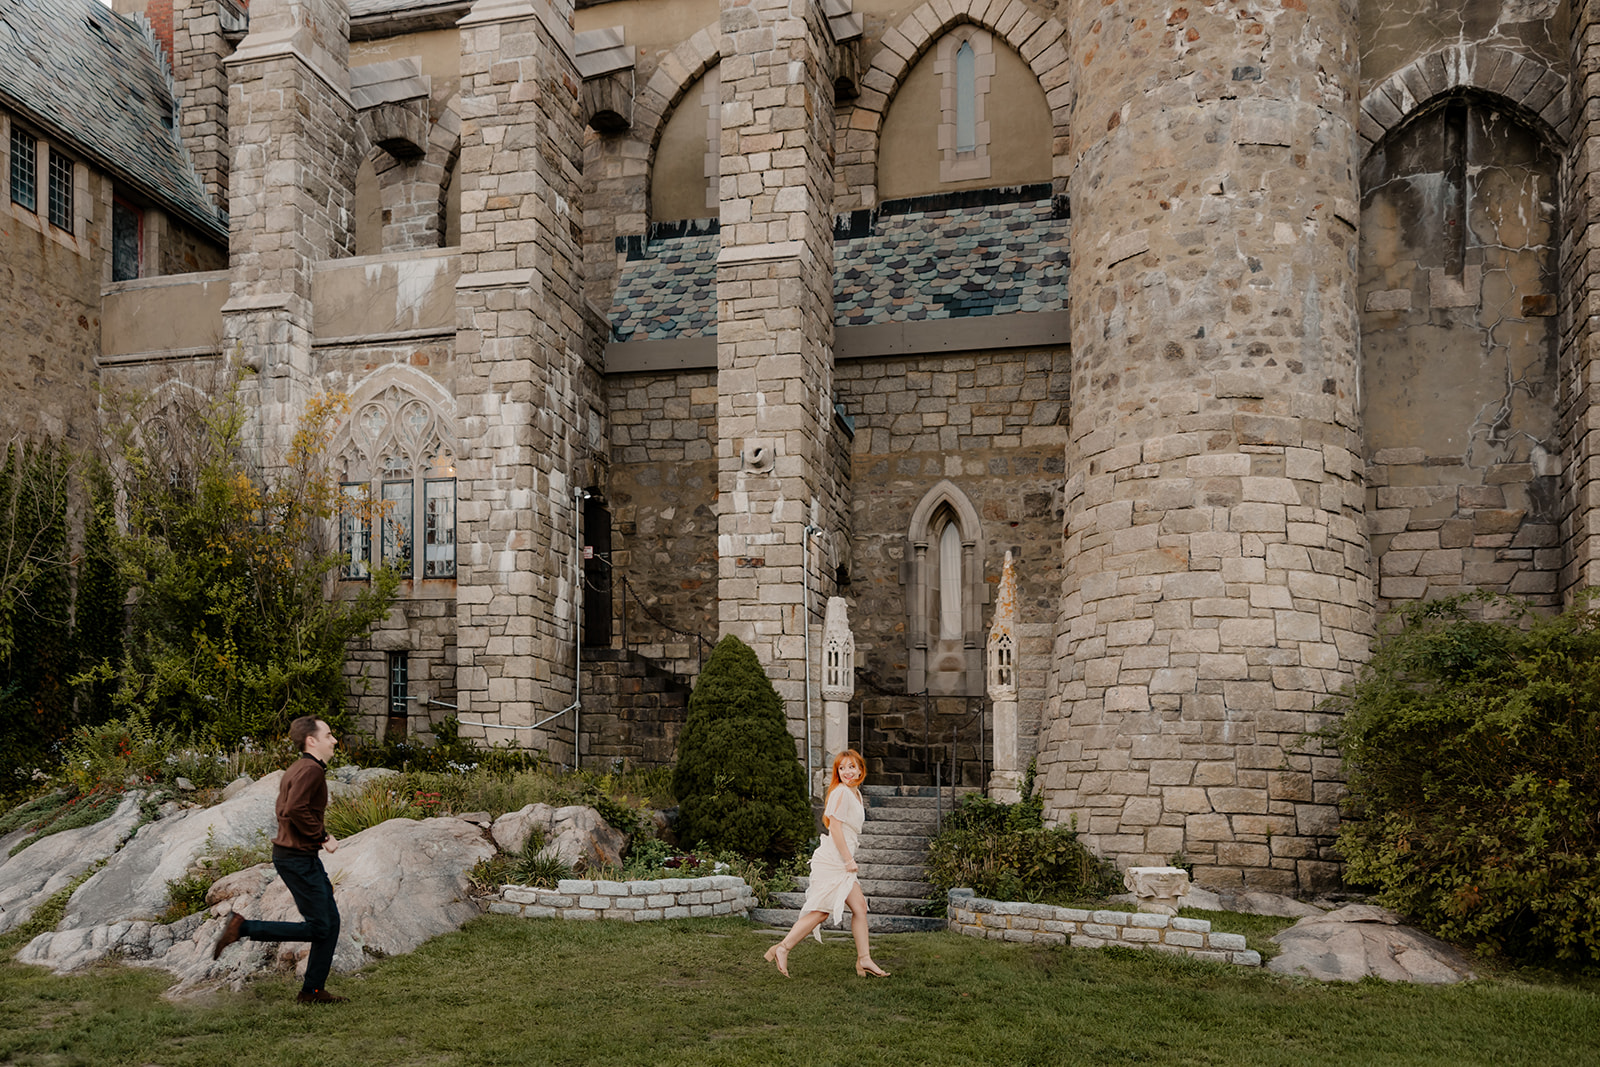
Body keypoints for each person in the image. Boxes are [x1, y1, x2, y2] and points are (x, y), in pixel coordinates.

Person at [211, 716, 347, 1003]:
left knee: (330, 923)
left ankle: (312, 991)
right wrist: (323, 837)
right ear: (312, 740)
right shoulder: (310, 770)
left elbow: (286, 809)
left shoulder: (299, 768)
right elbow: (295, 809)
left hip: (296, 856)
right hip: (298, 858)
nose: (334, 740)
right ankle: (242, 927)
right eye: (329, 735)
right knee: (321, 927)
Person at [763, 748, 890, 978]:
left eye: (851, 767)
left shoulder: (855, 793)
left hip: (841, 857)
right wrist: (848, 860)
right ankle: (782, 948)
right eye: (841, 768)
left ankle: (864, 960)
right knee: (821, 911)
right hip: (834, 859)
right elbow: (835, 828)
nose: (846, 772)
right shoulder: (840, 792)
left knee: (860, 907)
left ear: (861, 769)